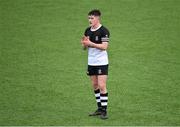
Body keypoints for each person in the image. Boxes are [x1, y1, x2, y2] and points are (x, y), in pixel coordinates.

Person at [81, 9, 110, 119]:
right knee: (95, 85)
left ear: (98, 18)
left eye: (92, 18)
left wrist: (90, 43)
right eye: (89, 18)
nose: (90, 20)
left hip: (102, 62)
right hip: (91, 62)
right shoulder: (87, 30)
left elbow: (104, 47)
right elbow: (84, 48)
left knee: (102, 86)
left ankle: (104, 110)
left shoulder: (104, 31)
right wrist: (84, 44)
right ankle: (99, 108)